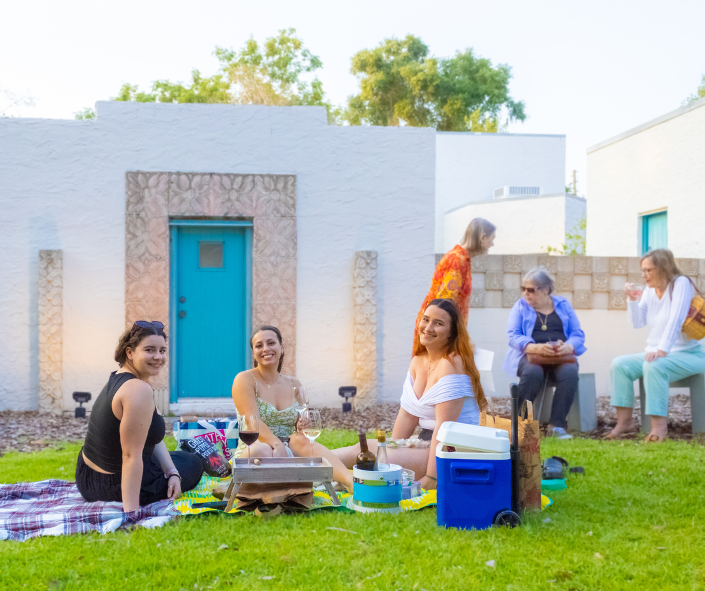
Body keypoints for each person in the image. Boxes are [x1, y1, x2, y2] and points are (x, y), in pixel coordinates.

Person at [334, 299, 486, 490]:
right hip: (427, 442)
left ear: (452, 333)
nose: (428, 327)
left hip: (454, 449)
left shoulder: (452, 364)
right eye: (426, 319)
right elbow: (407, 415)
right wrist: (392, 449)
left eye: (438, 324)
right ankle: (306, 460)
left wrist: (431, 478)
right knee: (364, 450)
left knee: (376, 457)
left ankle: (331, 473)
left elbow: (445, 427)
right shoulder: (418, 362)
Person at [75, 321, 203, 512]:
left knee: (180, 459)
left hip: (88, 477)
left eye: (162, 350)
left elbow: (150, 436)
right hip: (112, 487)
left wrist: (172, 472)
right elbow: (130, 455)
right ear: (129, 353)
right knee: (195, 462)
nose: (158, 357)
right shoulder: (138, 390)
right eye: (150, 350)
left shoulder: (121, 377)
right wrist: (131, 514)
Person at [231, 325, 354, 492]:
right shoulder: (244, 379)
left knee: (301, 440)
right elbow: (252, 423)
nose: (266, 349)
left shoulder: (294, 384)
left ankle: (352, 482)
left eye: (271, 343)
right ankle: (302, 479)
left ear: (281, 348)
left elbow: (303, 425)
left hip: (290, 450)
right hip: (256, 449)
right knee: (264, 450)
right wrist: (276, 444)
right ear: (254, 353)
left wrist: (303, 425)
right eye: (259, 346)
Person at [608, 249, 705, 442]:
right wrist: (632, 300)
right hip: (659, 352)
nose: (644, 275)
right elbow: (638, 323)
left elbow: (676, 319)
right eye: (642, 271)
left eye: (648, 270)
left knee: (653, 365)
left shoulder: (680, 284)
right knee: (620, 364)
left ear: (663, 267)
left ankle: (658, 428)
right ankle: (625, 423)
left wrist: (662, 350)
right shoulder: (649, 291)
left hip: (690, 355)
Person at [503, 267, 586, 439]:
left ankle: (556, 427)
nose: (526, 293)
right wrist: (530, 346)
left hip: (560, 357)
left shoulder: (563, 305)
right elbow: (512, 335)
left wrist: (569, 347)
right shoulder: (520, 306)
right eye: (523, 289)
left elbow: (578, 333)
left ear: (546, 290)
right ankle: (519, 425)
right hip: (531, 357)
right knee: (533, 373)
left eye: (531, 289)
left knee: (570, 372)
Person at [413, 218, 496, 352]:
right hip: (436, 333)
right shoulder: (457, 260)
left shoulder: (463, 259)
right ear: (482, 237)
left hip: (440, 330)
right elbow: (444, 305)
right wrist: (464, 339)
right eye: (492, 238)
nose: (492, 244)